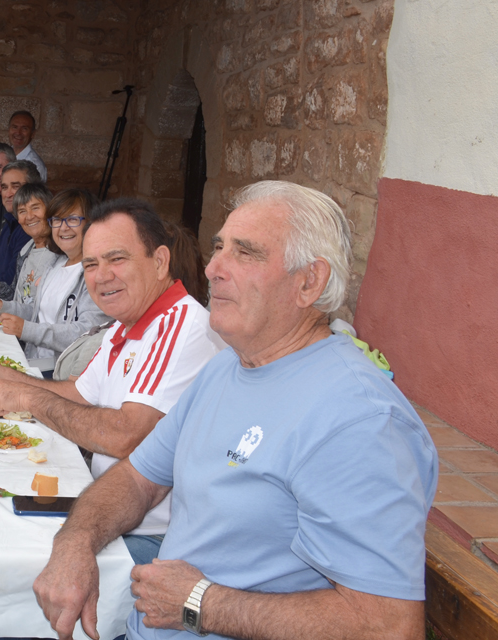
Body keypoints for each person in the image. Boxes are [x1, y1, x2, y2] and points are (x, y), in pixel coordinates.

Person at [33, 182, 437, 640]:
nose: (213, 268)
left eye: (245, 253)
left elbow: (389, 627)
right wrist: (75, 541)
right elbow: (138, 478)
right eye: (219, 247)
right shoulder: (227, 366)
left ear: (309, 282)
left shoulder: (361, 421)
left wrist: (201, 604)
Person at [0, 196, 224, 566]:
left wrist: (27, 398)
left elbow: (126, 436)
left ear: (160, 262)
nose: (102, 276)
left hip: (155, 539)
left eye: (117, 259)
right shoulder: (125, 324)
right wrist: (1, 375)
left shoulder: (181, 325)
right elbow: (78, 394)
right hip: (110, 512)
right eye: (92, 264)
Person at [0, 189, 110, 367]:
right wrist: (4, 307)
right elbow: (38, 313)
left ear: (91, 223)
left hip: (64, 371)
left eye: (73, 219)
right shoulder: (56, 264)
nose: (63, 227)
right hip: (36, 361)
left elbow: (87, 334)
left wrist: (27, 330)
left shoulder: (98, 275)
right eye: (57, 220)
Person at [0, 159, 41, 281]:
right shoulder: (9, 222)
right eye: (4, 187)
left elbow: (10, 283)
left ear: (33, 189)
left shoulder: (30, 229)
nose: (8, 194)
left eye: (16, 186)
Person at [9, 109, 47, 181]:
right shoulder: (4, 155)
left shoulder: (36, 165)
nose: (18, 133)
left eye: (24, 129)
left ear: (32, 134)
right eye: (15, 127)